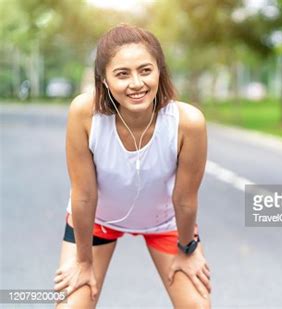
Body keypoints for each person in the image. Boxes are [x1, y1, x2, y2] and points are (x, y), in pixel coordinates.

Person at [53, 24, 211, 308]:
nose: (136, 83)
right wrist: (83, 261)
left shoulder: (188, 122)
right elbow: (84, 195)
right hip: (97, 221)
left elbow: (185, 199)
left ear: (160, 71)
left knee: (197, 306)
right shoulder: (84, 113)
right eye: (122, 74)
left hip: (164, 223)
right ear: (104, 80)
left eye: (145, 70)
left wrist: (188, 250)